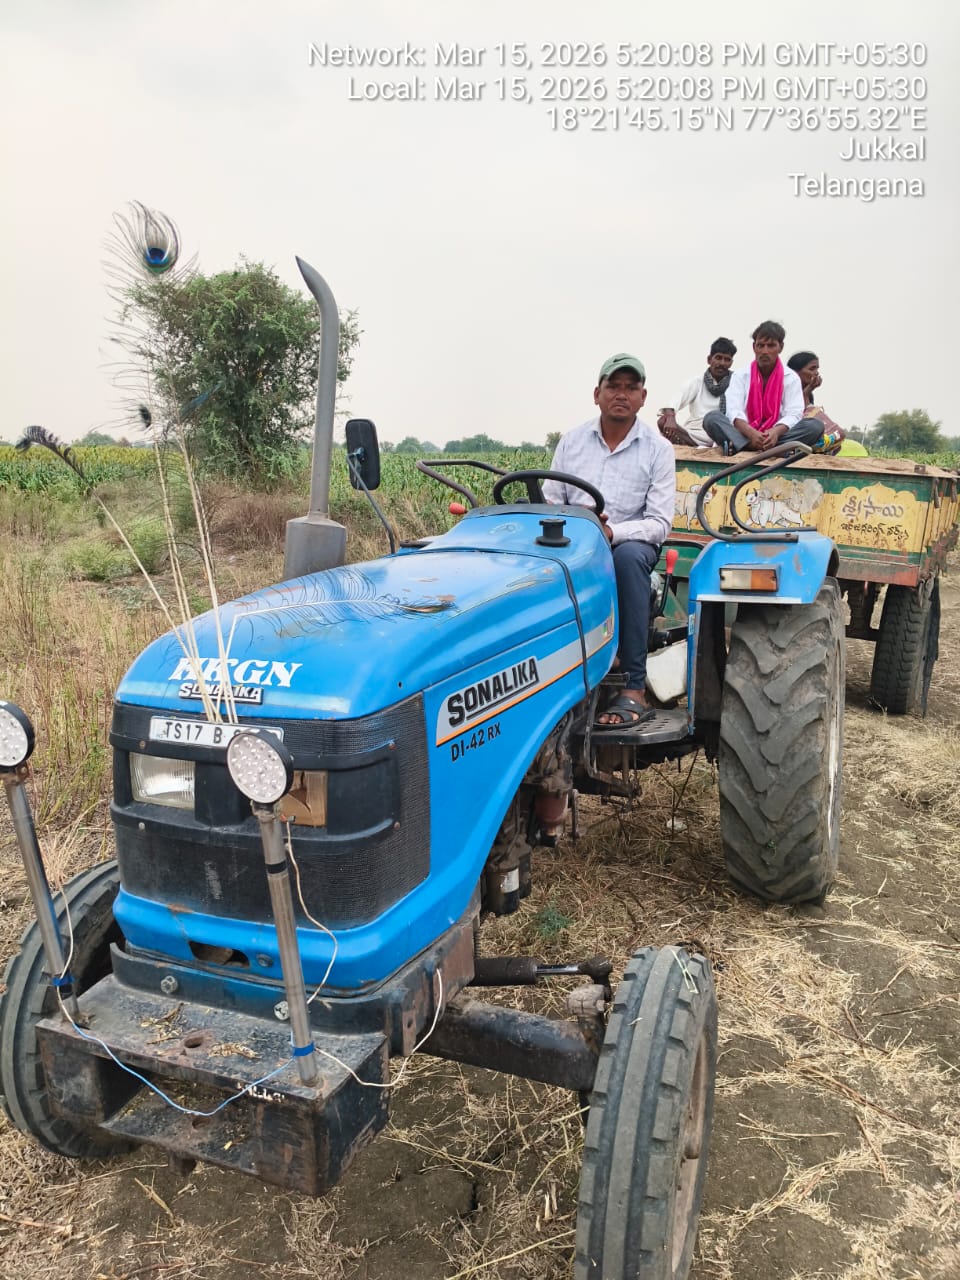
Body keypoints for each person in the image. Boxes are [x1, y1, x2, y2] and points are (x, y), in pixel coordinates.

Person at [543, 354, 676, 728]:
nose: (621, 394)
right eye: (613, 386)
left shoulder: (658, 449)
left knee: (628, 560)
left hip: (626, 543)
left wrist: (613, 531)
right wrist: (580, 526)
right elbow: (552, 499)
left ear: (643, 397)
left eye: (630, 387)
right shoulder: (572, 441)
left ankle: (633, 684)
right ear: (596, 394)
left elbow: (659, 522)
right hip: (574, 537)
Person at [703, 321, 823, 453]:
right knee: (712, 418)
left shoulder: (791, 378)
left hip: (777, 437)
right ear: (754, 347)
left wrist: (775, 432)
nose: (765, 351)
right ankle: (769, 448)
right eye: (760, 346)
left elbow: (794, 414)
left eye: (771, 346)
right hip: (745, 434)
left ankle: (746, 447)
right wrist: (751, 433)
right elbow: (733, 411)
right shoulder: (741, 375)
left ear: (781, 347)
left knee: (815, 426)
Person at [658, 337, 738, 447]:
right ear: (709, 359)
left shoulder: (736, 383)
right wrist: (670, 418)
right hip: (694, 433)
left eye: (727, 359)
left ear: (731, 363)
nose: (722, 363)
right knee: (663, 421)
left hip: (720, 433)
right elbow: (673, 402)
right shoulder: (697, 382)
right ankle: (692, 444)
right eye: (718, 358)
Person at [786, 350, 845, 454]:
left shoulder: (809, 393)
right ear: (795, 373)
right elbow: (800, 413)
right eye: (812, 369)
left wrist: (808, 391)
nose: (816, 372)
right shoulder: (785, 390)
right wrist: (807, 391)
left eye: (817, 368)